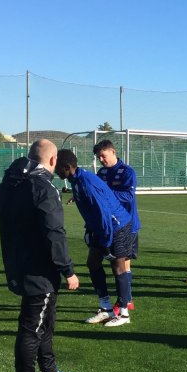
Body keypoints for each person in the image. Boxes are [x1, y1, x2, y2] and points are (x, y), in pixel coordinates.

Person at [0, 139, 79, 372]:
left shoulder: (10, 184)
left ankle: (49, 370)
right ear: (53, 160)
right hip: (39, 269)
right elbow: (54, 232)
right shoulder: (43, 187)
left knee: (45, 322)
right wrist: (68, 270)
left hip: (18, 262)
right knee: (32, 327)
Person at [55, 149, 134, 327]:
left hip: (117, 226)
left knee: (118, 268)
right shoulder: (76, 179)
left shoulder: (85, 183)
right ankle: (105, 308)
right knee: (92, 263)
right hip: (102, 228)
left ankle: (123, 313)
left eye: (58, 167)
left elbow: (103, 213)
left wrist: (106, 242)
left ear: (67, 167)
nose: (55, 170)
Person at [93, 139, 139, 315]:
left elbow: (128, 196)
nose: (102, 160)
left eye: (103, 156)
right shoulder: (102, 172)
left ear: (112, 152)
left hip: (128, 224)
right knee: (118, 264)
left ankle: (125, 302)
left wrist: (105, 193)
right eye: (99, 158)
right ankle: (126, 300)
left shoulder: (127, 171)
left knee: (124, 265)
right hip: (110, 225)